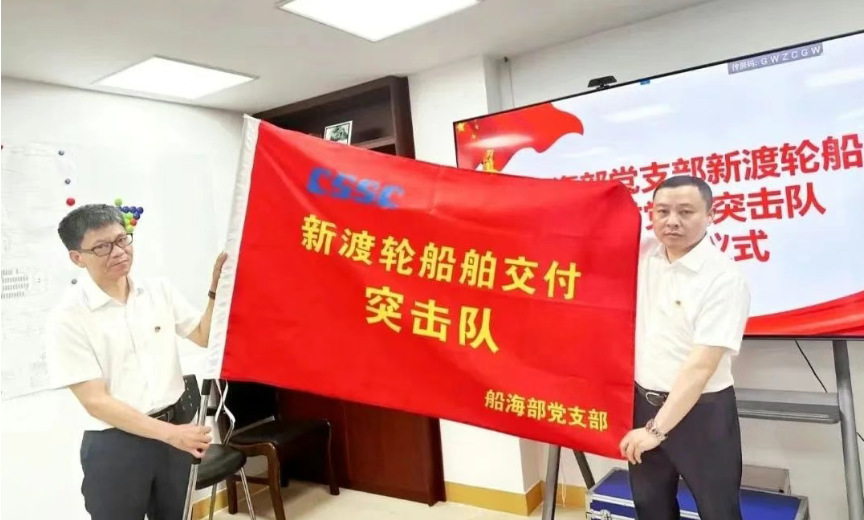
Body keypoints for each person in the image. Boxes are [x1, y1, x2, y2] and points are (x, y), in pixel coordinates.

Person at [46, 203, 227, 520]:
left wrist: (216, 291)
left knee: (176, 514)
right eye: (102, 247)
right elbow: (96, 402)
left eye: (122, 239)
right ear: (77, 257)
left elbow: (203, 335)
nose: (118, 252)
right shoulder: (68, 318)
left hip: (175, 433)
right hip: (117, 444)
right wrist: (171, 434)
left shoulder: (158, 292)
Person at [618, 176, 751, 520]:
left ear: (711, 214)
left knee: (718, 509)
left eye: (686, 212)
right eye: (662, 211)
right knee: (651, 506)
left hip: (702, 413)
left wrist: (656, 430)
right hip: (643, 403)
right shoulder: (644, 254)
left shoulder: (724, 278)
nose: (672, 221)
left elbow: (700, 368)